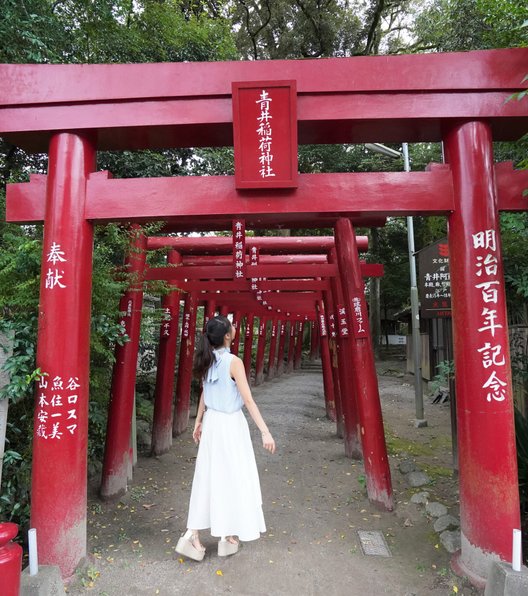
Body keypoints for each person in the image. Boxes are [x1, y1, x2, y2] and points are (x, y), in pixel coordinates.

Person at [175, 315, 276, 561]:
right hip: (230, 425)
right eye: (232, 326)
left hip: (212, 423)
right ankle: (227, 534)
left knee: (208, 476)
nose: (234, 328)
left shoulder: (207, 358)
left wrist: (199, 420)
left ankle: (196, 534)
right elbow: (248, 399)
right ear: (228, 335)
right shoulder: (233, 361)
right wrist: (265, 431)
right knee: (234, 475)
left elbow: (204, 392)